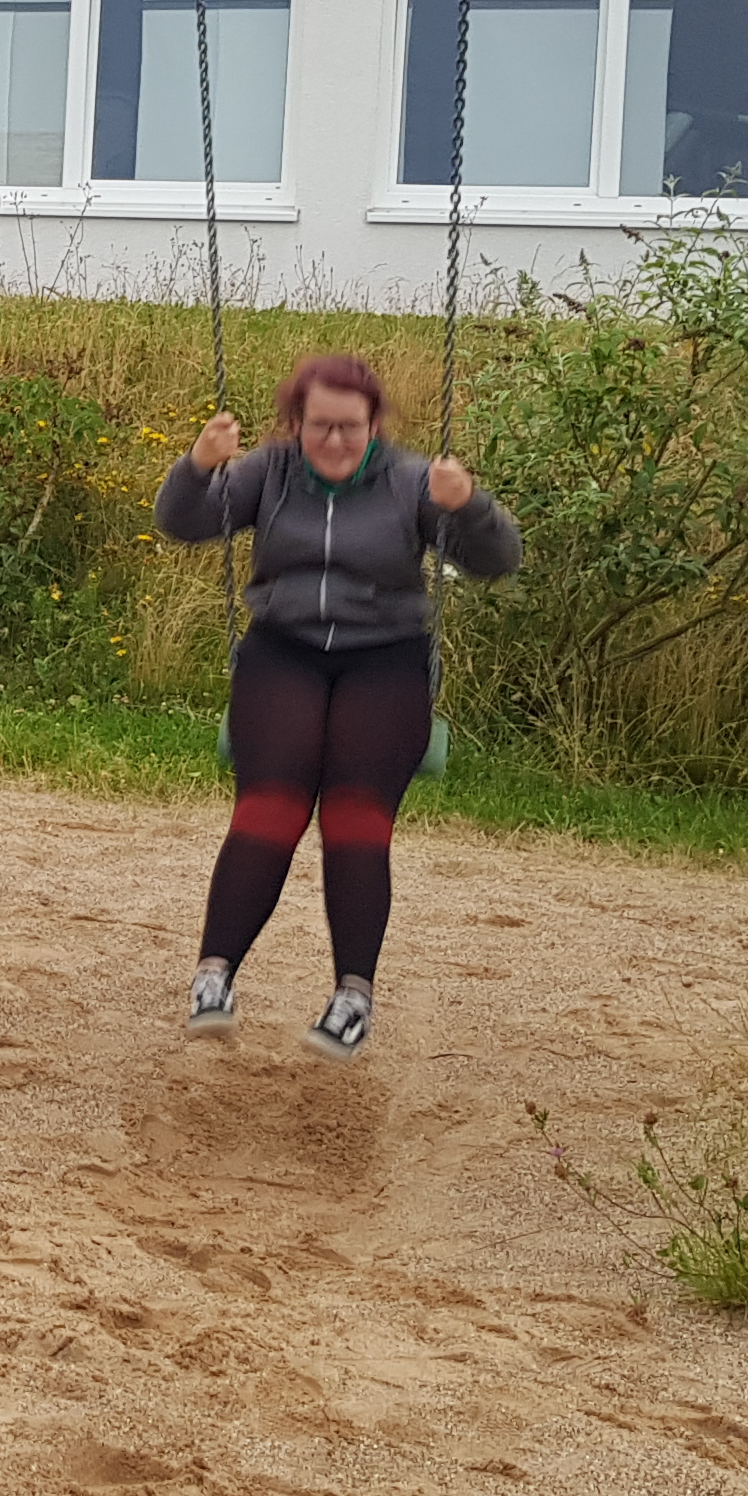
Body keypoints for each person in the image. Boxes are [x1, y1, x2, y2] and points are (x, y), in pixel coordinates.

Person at [155, 352, 520, 1060]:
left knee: (356, 815)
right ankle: (213, 976)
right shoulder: (269, 471)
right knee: (271, 807)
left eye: (350, 427)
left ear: (374, 425)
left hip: (385, 658)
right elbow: (182, 522)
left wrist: (468, 503)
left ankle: (353, 997)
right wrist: (198, 465)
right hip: (283, 650)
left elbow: (499, 559)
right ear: (296, 423)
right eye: (320, 426)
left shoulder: (413, 480)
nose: (334, 441)